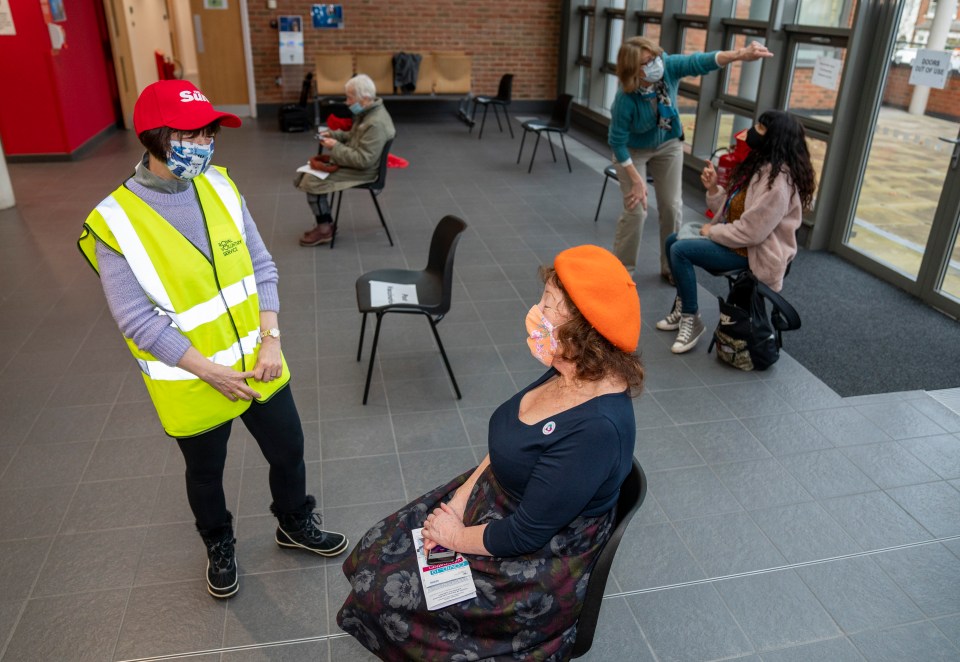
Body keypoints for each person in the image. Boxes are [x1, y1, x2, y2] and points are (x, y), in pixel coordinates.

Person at [78, 80, 348, 600]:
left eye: (208, 131)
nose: (204, 142)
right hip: (192, 378)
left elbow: (262, 265)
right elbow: (136, 319)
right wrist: (209, 371)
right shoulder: (112, 222)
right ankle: (219, 543)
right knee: (206, 472)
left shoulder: (222, 186)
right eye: (190, 132)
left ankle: (294, 522)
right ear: (155, 137)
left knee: (289, 449)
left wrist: (270, 338)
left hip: (261, 359)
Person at [337, 245, 644, 661]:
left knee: (384, 595)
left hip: (531, 558)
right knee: (378, 547)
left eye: (549, 305)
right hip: (495, 497)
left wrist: (453, 536)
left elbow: (525, 533)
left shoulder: (597, 430)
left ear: (585, 334)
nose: (536, 311)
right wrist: (459, 499)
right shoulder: (570, 367)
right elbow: (513, 439)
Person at [608, 36, 773, 282]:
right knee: (636, 210)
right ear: (633, 70)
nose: (656, 64)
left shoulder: (668, 67)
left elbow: (701, 61)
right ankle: (622, 272)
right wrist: (636, 181)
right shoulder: (625, 98)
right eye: (647, 62)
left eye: (655, 57)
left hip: (668, 143)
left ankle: (671, 265)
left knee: (672, 206)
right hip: (633, 151)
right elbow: (617, 142)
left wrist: (740, 54)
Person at [656, 109, 816, 353]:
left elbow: (752, 233)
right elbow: (733, 210)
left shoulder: (778, 185)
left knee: (679, 250)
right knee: (671, 240)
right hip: (737, 240)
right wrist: (713, 189)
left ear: (775, 137)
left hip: (753, 253)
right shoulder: (761, 166)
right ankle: (683, 305)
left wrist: (712, 233)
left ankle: (691, 319)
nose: (753, 131)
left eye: (761, 128)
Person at [295, 73, 396, 246]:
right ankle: (325, 224)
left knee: (312, 181)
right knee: (309, 176)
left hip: (364, 171)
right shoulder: (369, 113)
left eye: (350, 98)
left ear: (364, 99)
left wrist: (335, 146)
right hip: (358, 164)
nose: (347, 102)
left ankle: (325, 229)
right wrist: (334, 134)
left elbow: (364, 160)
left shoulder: (375, 123)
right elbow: (355, 137)